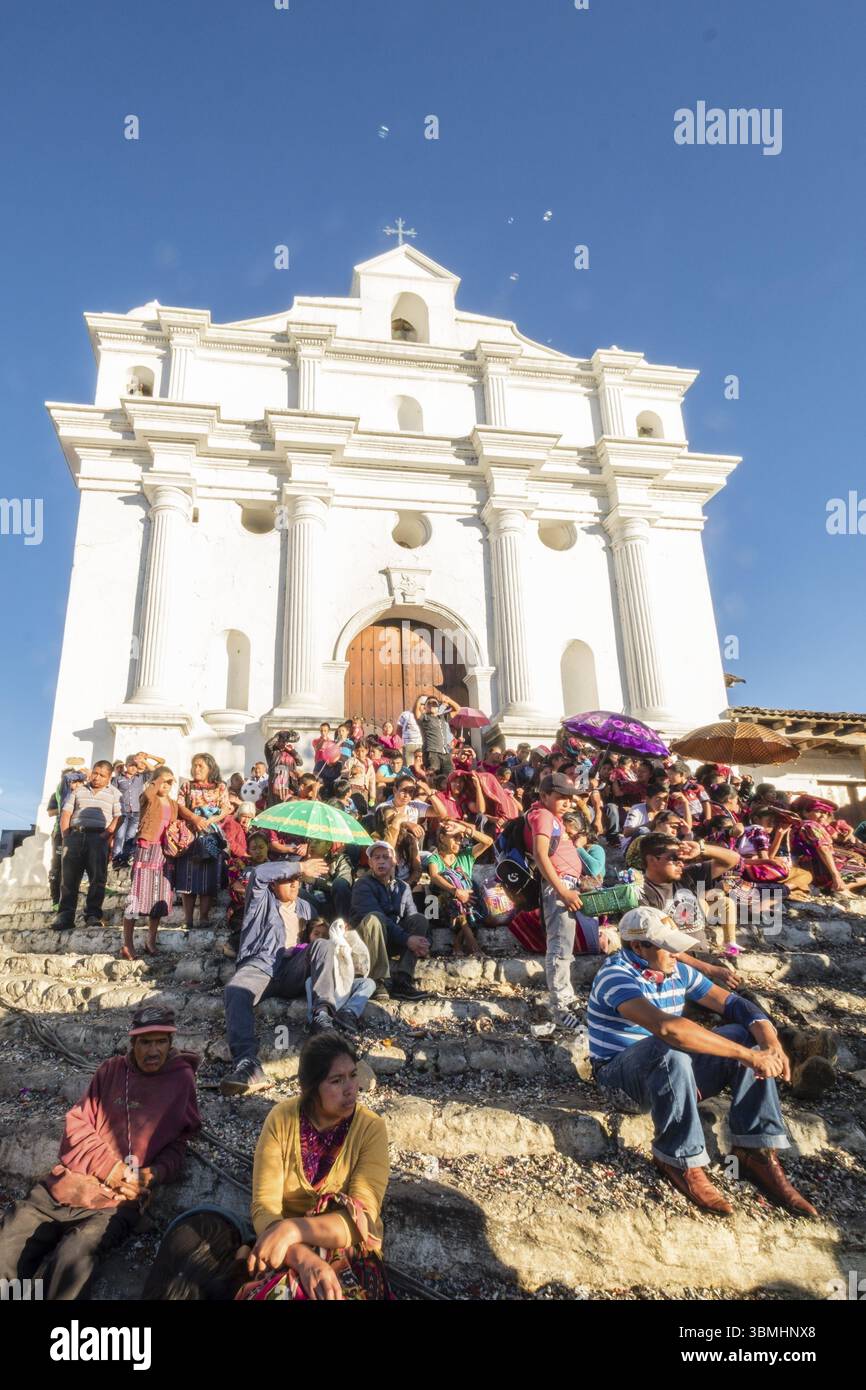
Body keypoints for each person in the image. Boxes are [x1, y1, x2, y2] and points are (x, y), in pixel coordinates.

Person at [587, 908, 818, 1218]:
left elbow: (734, 1004)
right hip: (621, 1082)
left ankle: (755, 1150)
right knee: (668, 1046)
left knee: (743, 1035)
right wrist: (749, 1057)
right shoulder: (615, 975)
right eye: (665, 946)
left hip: (670, 1068)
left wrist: (769, 1043)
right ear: (639, 947)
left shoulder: (676, 969)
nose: (675, 953)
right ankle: (679, 1158)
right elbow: (669, 1029)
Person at [0, 1006, 201, 1299]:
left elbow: (179, 1142)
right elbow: (76, 1125)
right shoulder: (111, 1071)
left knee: (72, 1257)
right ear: (133, 1043)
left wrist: (153, 1174)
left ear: (171, 1044)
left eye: (161, 1041)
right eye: (145, 1042)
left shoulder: (181, 1080)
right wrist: (111, 1169)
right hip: (68, 1185)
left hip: (116, 1202)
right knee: (9, 1240)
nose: (153, 1050)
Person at [241, 1033, 391, 1300]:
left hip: (347, 1248)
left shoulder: (371, 1129)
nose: (351, 1088)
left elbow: (361, 1220)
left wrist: (293, 1229)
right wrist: (301, 1256)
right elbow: (264, 1207)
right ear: (310, 1088)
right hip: (287, 1246)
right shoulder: (282, 1119)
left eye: (353, 1075)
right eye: (336, 1080)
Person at [221, 859, 343, 1097]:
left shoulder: (307, 908)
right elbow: (259, 872)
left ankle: (322, 1016)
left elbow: (319, 937)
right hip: (260, 966)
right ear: (275, 884)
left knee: (323, 946)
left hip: (293, 969)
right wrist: (300, 867)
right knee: (236, 991)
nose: (294, 884)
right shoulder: (261, 900)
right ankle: (247, 1064)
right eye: (288, 880)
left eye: (297, 881)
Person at [526, 772, 604, 1032]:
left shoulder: (553, 817)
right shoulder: (543, 816)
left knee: (564, 945)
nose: (567, 803)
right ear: (544, 795)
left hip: (566, 885)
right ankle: (560, 1003)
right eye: (560, 797)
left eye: (569, 798)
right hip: (558, 887)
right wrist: (562, 891)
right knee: (560, 946)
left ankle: (566, 997)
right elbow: (540, 854)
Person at [637, 832, 742, 958]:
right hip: (677, 963)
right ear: (652, 860)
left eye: (682, 859)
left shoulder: (687, 875)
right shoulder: (641, 891)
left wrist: (701, 849)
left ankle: (730, 944)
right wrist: (708, 969)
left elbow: (733, 859)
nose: (681, 863)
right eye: (674, 859)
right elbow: (656, 944)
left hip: (703, 955)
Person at [350, 841, 432, 1000]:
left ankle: (403, 980)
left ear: (394, 861)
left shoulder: (403, 887)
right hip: (368, 942)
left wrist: (422, 942)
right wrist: (408, 939)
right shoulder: (362, 885)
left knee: (420, 920)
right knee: (375, 918)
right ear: (370, 863)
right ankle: (376, 980)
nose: (381, 861)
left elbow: (411, 916)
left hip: (393, 939)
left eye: (386, 857)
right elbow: (379, 919)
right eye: (376, 857)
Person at [52, 760, 122, 931]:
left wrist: (107, 835)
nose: (97, 777)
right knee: (68, 879)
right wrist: (66, 835)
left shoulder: (115, 793)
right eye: (95, 773)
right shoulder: (79, 790)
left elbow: (119, 817)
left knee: (97, 879)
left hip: (98, 839)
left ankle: (92, 915)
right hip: (74, 836)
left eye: (102, 775)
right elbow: (66, 812)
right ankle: (65, 916)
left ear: (109, 777)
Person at [121, 766, 178, 960]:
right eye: (163, 781)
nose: (166, 785)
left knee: (158, 897)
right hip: (146, 849)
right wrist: (157, 780)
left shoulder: (173, 803)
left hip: (164, 853)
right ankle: (127, 943)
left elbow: (186, 814)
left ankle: (150, 941)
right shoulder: (148, 797)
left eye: (170, 782)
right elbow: (147, 792)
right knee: (136, 896)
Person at [175, 754, 231, 929]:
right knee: (187, 876)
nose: (196, 769)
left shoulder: (220, 787)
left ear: (210, 769)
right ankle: (188, 918)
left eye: (200, 766)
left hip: (210, 834)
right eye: (194, 765)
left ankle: (204, 917)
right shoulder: (186, 786)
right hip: (189, 835)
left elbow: (226, 808)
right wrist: (194, 818)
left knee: (208, 874)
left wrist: (209, 820)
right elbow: (180, 806)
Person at [427, 819, 494, 955]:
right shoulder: (435, 859)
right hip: (440, 907)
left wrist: (464, 829)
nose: (459, 842)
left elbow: (488, 842)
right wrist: (457, 891)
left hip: (469, 904)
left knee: (468, 894)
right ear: (442, 837)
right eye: (455, 838)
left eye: (461, 838)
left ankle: (457, 945)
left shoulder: (466, 856)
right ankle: (474, 947)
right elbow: (434, 876)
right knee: (453, 889)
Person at [46, 758, 87, 908]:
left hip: (77, 833)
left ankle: (69, 898)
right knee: (57, 865)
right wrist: (66, 809)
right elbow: (50, 812)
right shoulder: (59, 793)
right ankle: (55, 899)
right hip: (60, 832)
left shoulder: (82, 793)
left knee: (74, 866)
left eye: (76, 780)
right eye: (70, 780)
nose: (73, 783)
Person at [414, 688, 460, 775]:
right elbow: (417, 714)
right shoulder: (425, 718)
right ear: (425, 707)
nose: (431, 705)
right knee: (433, 775)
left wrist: (449, 700)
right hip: (431, 752)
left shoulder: (443, 717)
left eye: (434, 704)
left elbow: (458, 709)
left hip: (445, 752)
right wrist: (419, 701)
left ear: (438, 707)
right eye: (429, 704)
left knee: (449, 774)